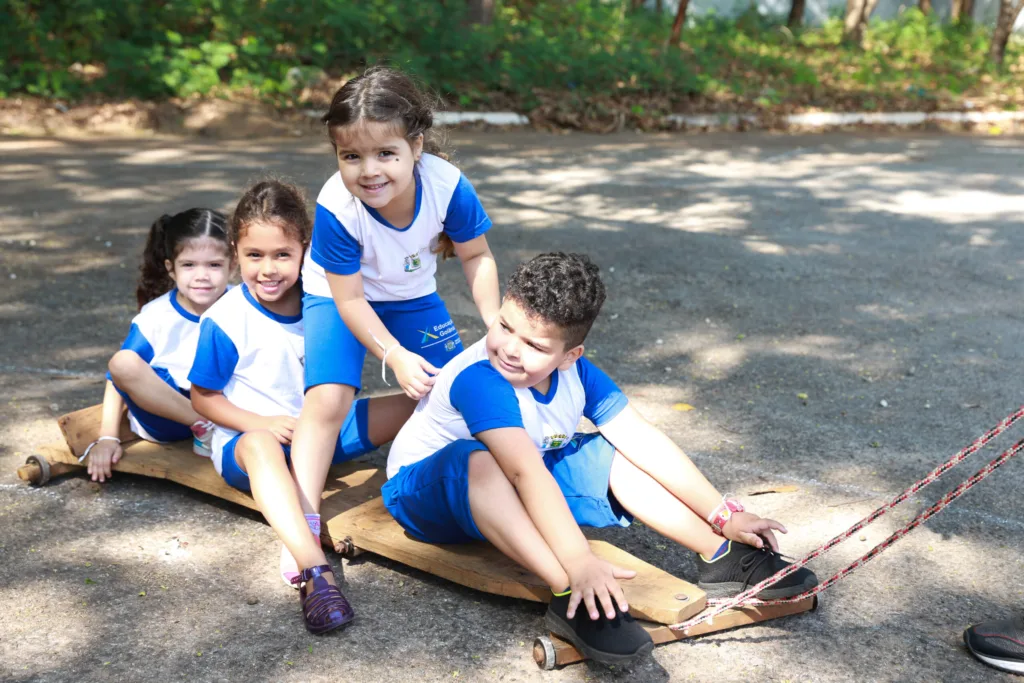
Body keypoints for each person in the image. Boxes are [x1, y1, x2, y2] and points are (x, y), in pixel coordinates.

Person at [381, 252, 819, 665]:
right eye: (504, 326)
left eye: (533, 344)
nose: (510, 349)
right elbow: (523, 471)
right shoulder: (481, 378)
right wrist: (579, 560)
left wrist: (724, 513)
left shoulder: (578, 374)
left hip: (512, 480)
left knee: (613, 452)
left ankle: (719, 554)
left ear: (570, 356)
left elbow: (641, 437)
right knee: (479, 461)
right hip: (427, 492)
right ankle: (572, 593)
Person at [287, 66, 500, 585]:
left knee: (456, 389)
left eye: (386, 153)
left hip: (410, 296)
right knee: (328, 399)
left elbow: (477, 256)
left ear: (416, 147)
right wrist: (393, 355)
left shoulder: (448, 186)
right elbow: (351, 300)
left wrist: (495, 323)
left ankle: (481, 488)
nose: (368, 170)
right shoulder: (337, 206)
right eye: (350, 156)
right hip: (337, 295)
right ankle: (301, 521)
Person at [188, 180, 412, 635]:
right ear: (235, 252)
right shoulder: (226, 319)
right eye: (254, 256)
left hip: (318, 434)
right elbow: (202, 397)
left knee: (424, 399)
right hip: (249, 446)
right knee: (260, 446)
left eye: (282, 255)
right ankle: (313, 566)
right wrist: (262, 423)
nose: (267, 269)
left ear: (305, 250)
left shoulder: (325, 306)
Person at [86, 208, 232, 483]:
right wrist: (107, 437)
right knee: (123, 362)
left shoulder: (242, 304)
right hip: (168, 415)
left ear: (232, 266)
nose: (202, 275)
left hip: (223, 405)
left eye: (214, 265)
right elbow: (117, 378)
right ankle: (204, 427)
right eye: (189, 265)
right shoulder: (156, 316)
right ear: (171, 269)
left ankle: (217, 425)